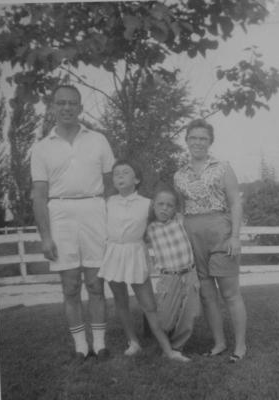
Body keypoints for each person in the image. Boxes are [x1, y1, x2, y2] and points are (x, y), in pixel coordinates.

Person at [30, 85, 115, 362]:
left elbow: (111, 186)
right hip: (60, 215)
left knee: (95, 285)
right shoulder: (41, 148)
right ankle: (81, 346)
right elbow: (40, 196)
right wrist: (45, 237)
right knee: (69, 286)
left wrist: (112, 223)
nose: (66, 108)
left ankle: (100, 344)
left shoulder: (99, 140)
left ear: (80, 108)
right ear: (52, 107)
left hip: (94, 209)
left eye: (72, 103)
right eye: (61, 103)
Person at [98, 160, 190, 362]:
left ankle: (168, 350)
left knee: (149, 305)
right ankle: (133, 342)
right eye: (116, 174)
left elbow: (164, 219)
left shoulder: (148, 203)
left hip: (135, 254)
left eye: (125, 172)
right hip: (113, 253)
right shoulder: (108, 202)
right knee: (121, 302)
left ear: (137, 179)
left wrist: (180, 220)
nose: (120, 176)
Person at [174, 118, 247, 363]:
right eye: (193, 137)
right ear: (186, 140)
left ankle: (240, 345)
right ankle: (219, 343)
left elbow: (236, 202)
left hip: (220, 231)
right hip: (193, 234)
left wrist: (235, 236)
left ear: (210, 141)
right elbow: (182, 209)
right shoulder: (179, 174)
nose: (197, 142)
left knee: (230, 293)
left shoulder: (222, 167)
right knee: (206, 294)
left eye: (202, 138)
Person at [146, 184, 201, 351]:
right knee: (164, 315)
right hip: (167, 277)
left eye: (169, 206)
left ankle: (177, 346)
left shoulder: (179, 220)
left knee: (188, 313)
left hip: (189, 273)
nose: (165, 209)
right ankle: (161, 336)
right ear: (153, 205)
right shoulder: (149, 228)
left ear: (175, 208)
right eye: (160, 204)